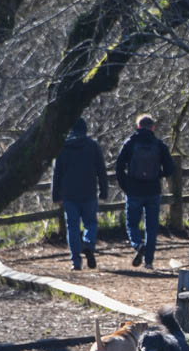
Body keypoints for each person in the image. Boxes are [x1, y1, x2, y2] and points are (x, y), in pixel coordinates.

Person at [115, 114, 175, 269]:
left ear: (138, 126)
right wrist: (157, 175)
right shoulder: (159, 145)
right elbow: (170, 169)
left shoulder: (130, 143)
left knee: (132, 224)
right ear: (153, 127)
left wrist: (126, 185)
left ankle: (138, 245)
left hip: (134, 190)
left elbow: (119, 167)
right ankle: (149, 261)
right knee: (152, 227)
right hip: (153, 190)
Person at [51, 118, 108, 271]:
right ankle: (88, 244)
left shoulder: (63, 148)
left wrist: (55, 195)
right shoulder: (93, 146)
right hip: (89, 192)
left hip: (69, 194)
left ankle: (76, 262)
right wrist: (104, 191)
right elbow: (101, 171)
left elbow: (57, 174)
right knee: (90, 223)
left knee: (72, 227)